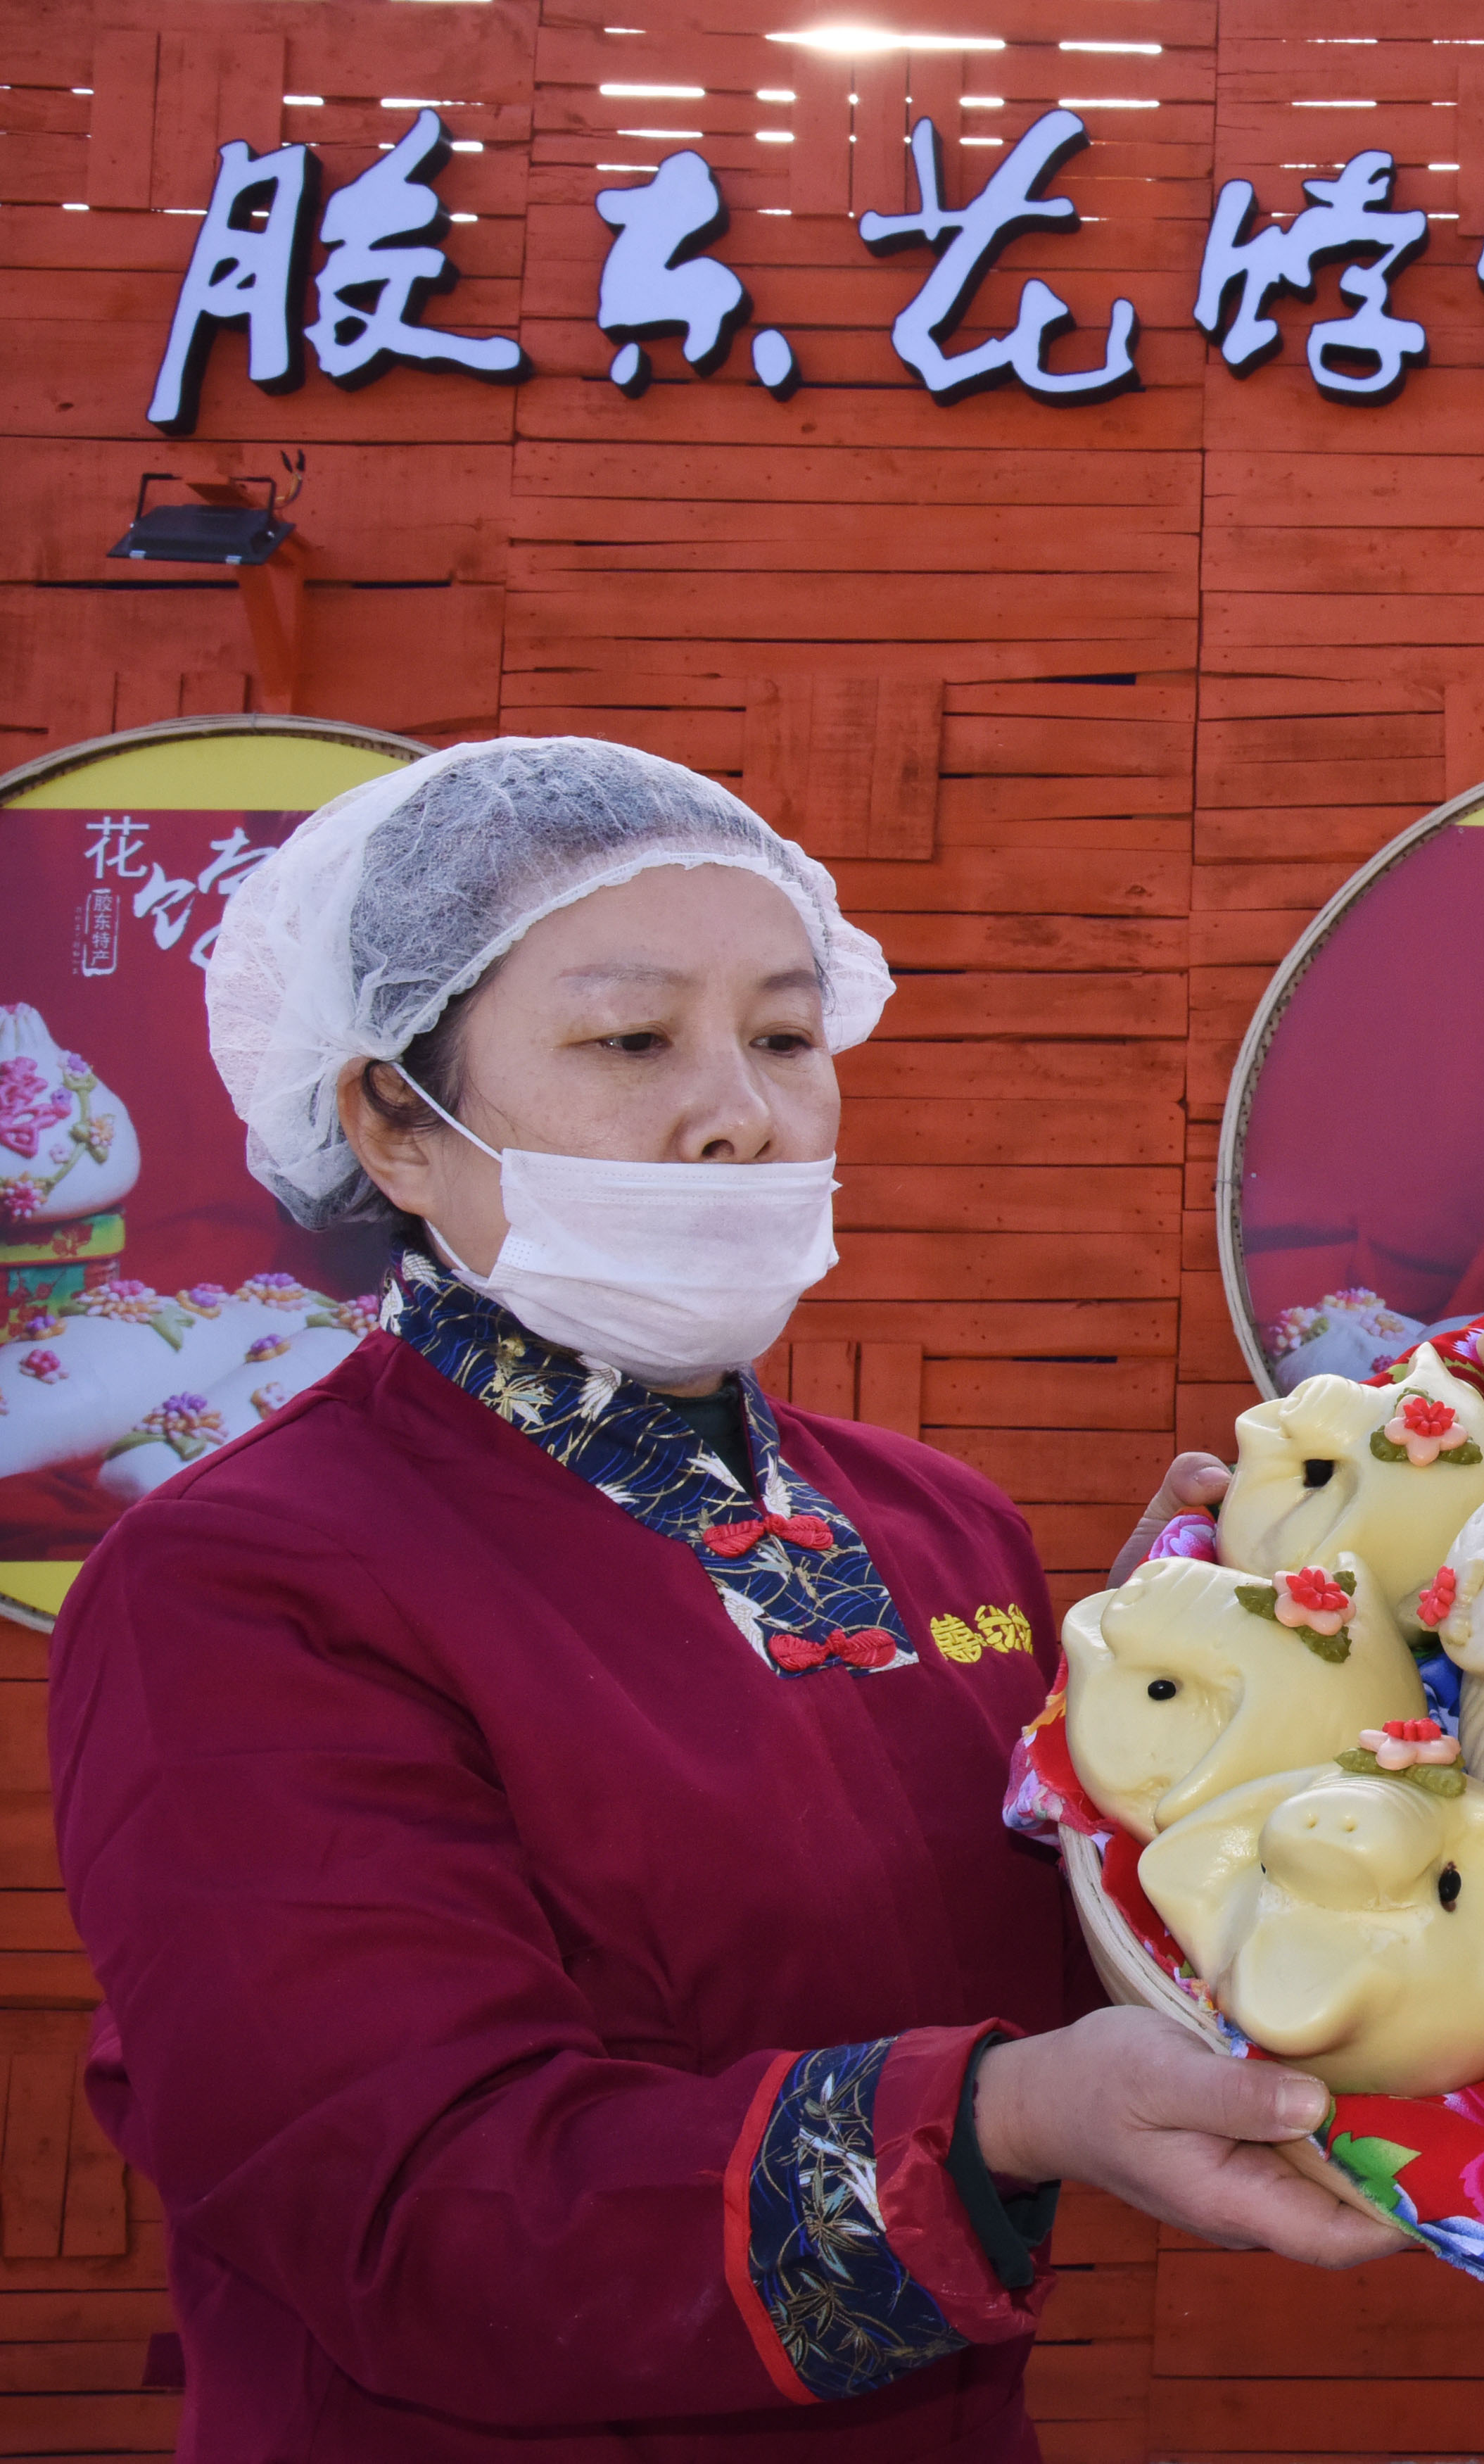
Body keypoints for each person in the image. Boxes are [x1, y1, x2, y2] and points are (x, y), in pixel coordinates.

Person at [51, 739, 1404, 2464]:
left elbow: (1097, 1970)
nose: (742, 1111)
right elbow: (412, 2201)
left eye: (782, 1036)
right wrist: (998, 2117)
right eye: (632, 1040)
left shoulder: (941, 1526)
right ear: (391, 1119)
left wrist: (1219, 1715)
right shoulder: (245, 1581)